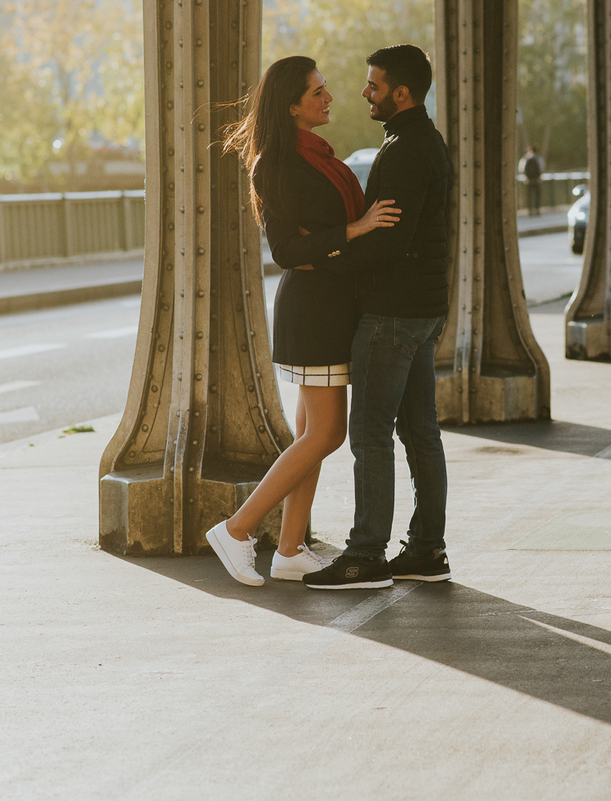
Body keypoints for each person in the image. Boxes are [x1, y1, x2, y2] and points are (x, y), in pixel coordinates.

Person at [206, 56, 401, 586]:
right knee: (328, 435)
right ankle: (238, 529)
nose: (329, 98)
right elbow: (288, 250)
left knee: (311, 434)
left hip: (330, 306)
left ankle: (290, 548)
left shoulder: (317, 155)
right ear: (292, 105)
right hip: (313, 313)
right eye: (317, 92)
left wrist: (352, 239)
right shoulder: (276, 162)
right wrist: (356, 231)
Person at [301, 44, 454, 590]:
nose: (364, 92)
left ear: (401, 93)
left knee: (369, 434)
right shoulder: (418, 140)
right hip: (421, 308)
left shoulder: (408, 148)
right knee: (419, 432)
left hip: (393, 312)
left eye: (374, 85)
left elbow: (392, 241)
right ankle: (426, 550)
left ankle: (366, 554)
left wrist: (330, 255)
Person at [519, 145, 543, 216]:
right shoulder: (538, 158)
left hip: (528, 180)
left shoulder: (525, 158)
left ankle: (529, 210)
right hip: (536, 180)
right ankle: (537, 210)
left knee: (529, 196)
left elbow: (521, 169)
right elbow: (541, 168)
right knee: (537, 195)